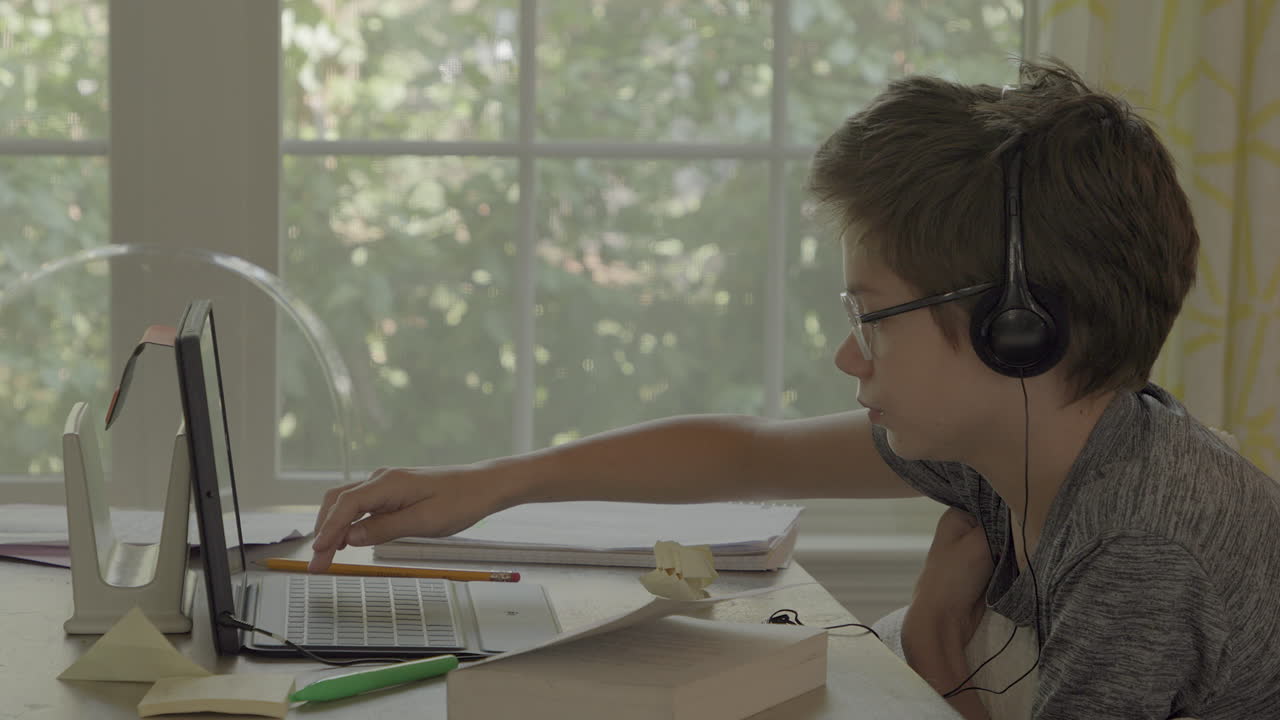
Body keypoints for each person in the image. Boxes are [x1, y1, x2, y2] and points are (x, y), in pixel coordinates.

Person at [310, 60, 1280, 719]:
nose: (848, 358)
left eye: (872, 318)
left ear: (1013, 330)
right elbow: (746, 452)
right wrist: (494, 482)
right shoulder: (1021, 447)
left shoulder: (1141, 551)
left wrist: (945, 676)